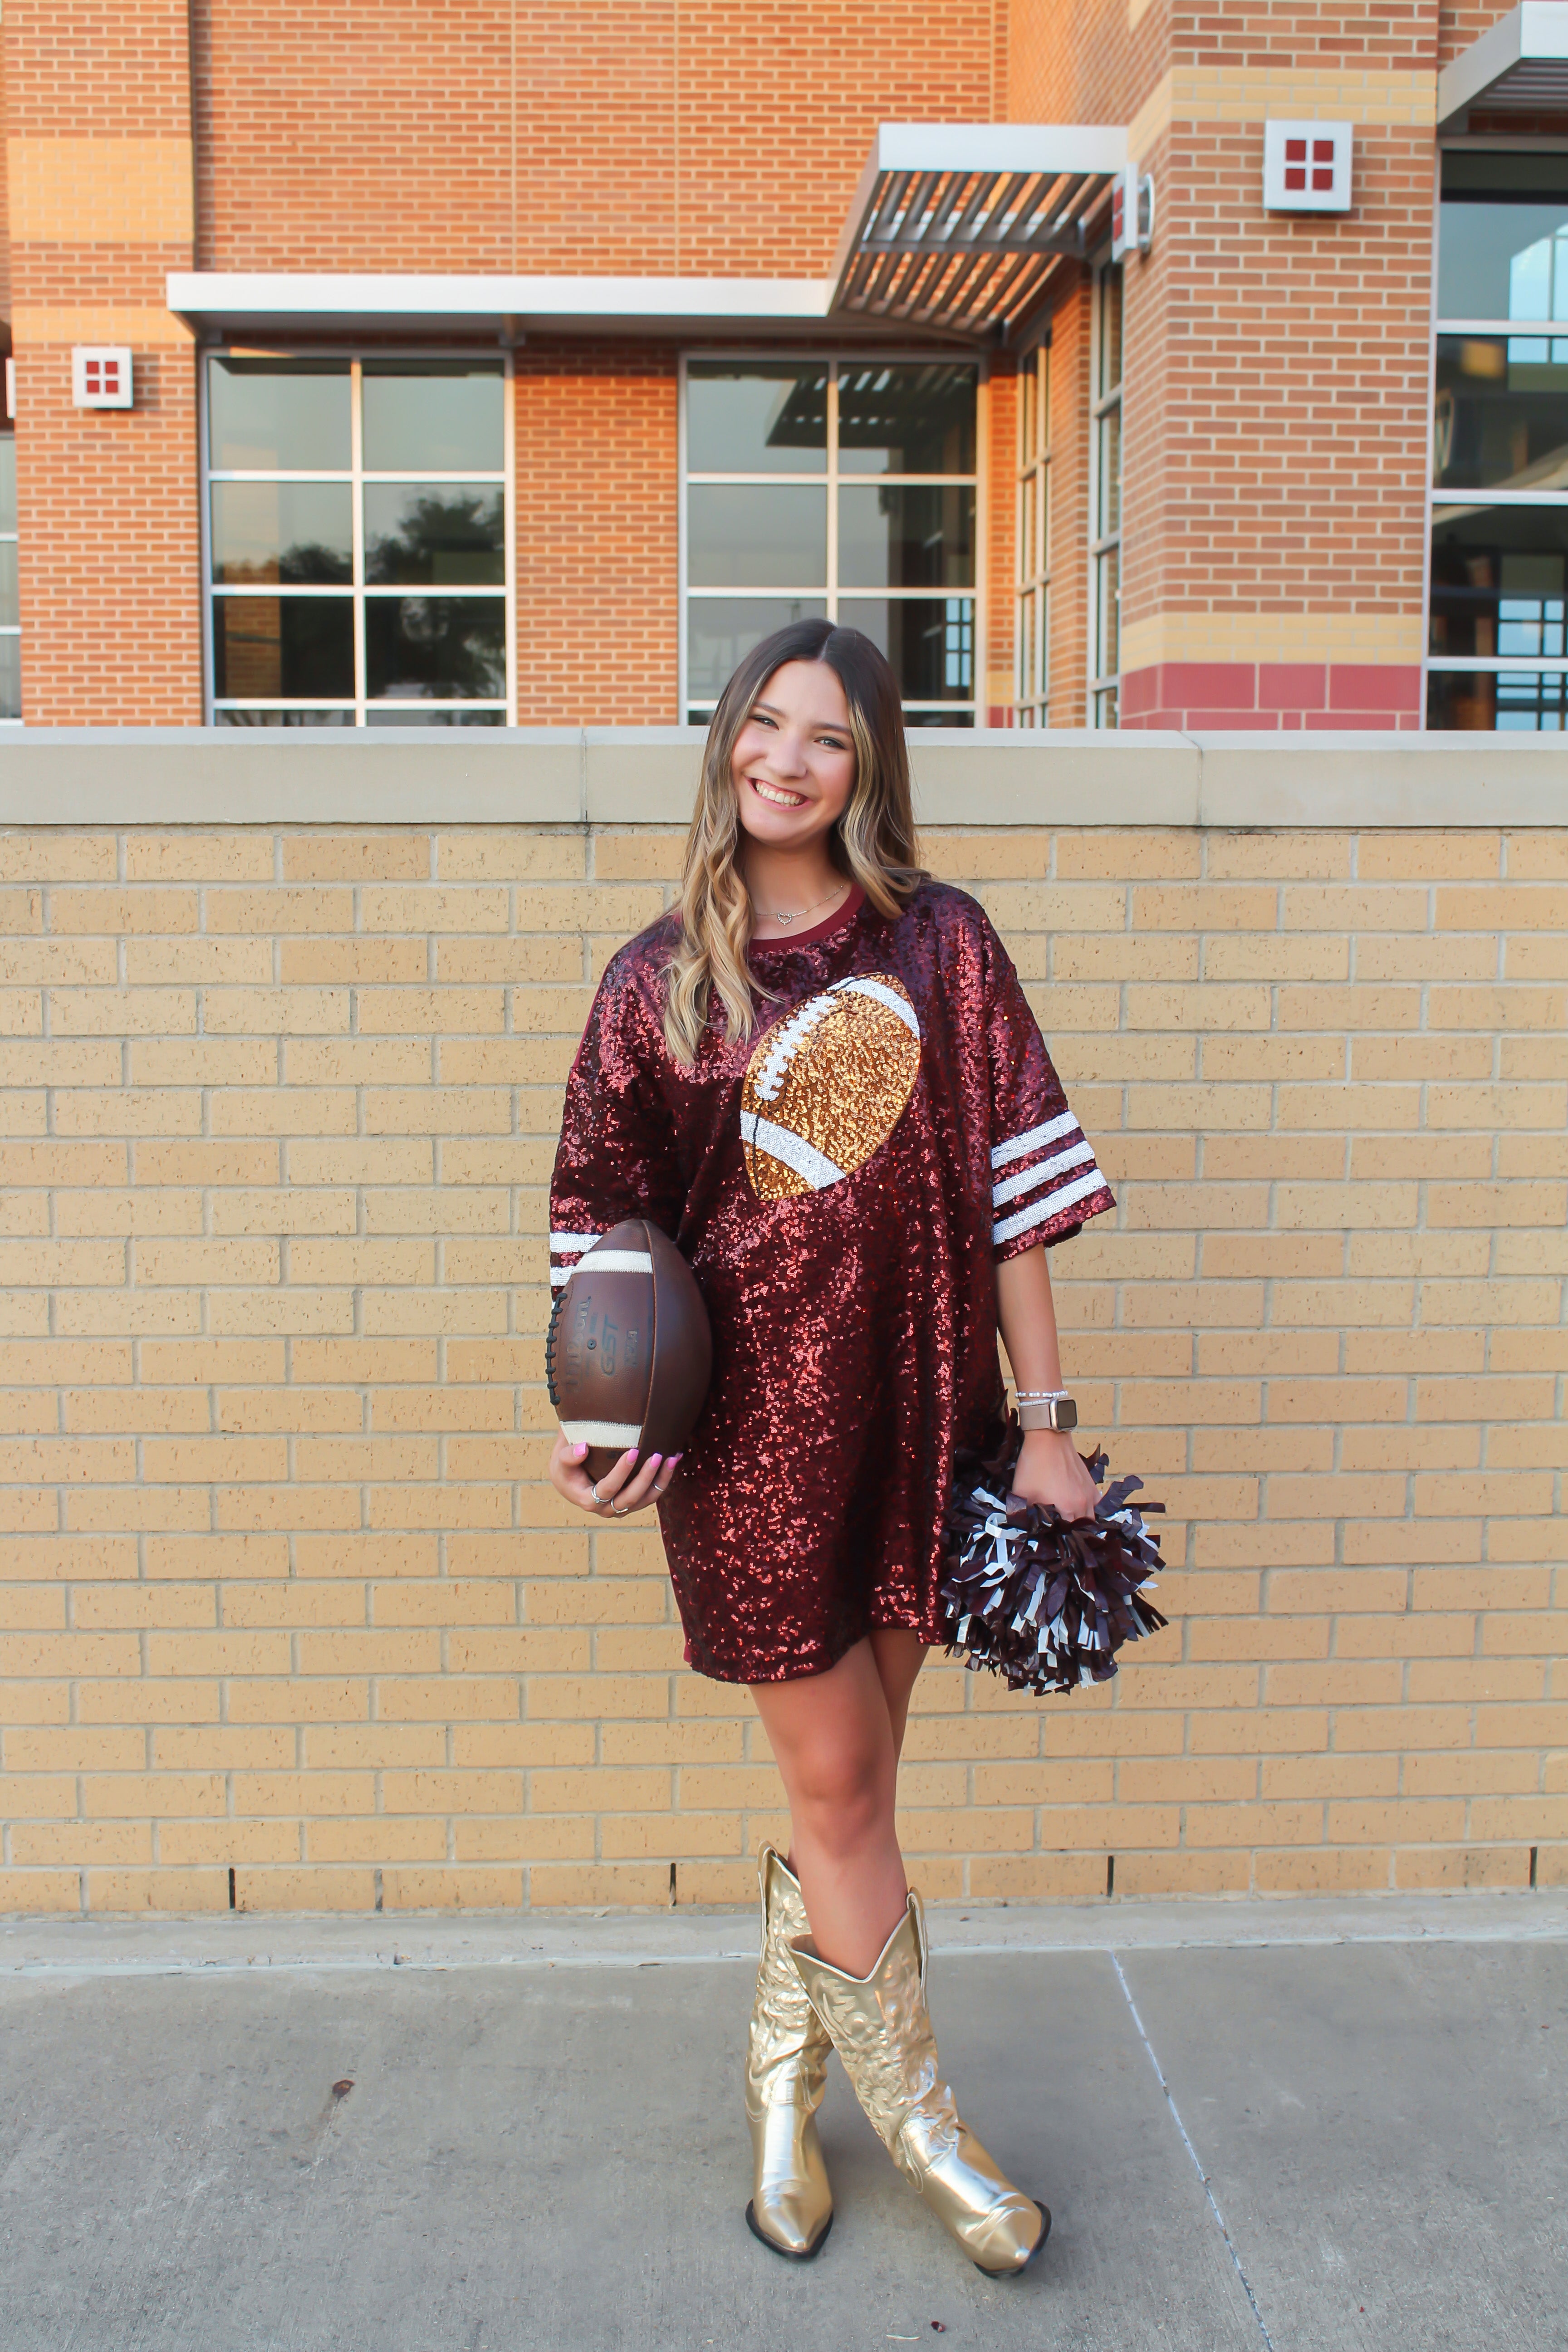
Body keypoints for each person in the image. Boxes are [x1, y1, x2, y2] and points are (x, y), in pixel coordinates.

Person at [547, 618, 1113, 2275]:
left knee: (847, 1798)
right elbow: (601, 1217)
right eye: (766, 726)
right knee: (845, 1780)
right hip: (749, 1451)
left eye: (830, 739)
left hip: (926, 1416)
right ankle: (935, 2141)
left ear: (869, 770)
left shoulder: (942, 943)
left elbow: (1017, 1198)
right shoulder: (657, 980)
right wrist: (592, 1420)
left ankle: (781, 2103)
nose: (787, 760)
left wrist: (1051, 1429)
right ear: (729, 740)